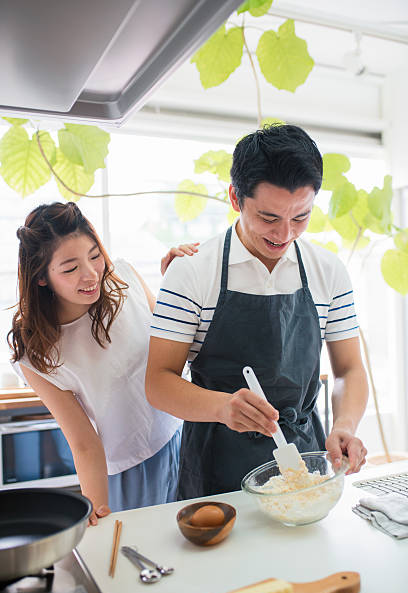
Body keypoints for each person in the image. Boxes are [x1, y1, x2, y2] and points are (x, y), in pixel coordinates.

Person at [145, 124, 369, 500]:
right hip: (215, 468)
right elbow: (158, 381)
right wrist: (222, 407)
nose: (284, 234)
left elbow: (349, 368)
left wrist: (345, 423)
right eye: (269, 218)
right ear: (235, 197)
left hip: (305, 461)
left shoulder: (328, 272)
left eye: (300, 217)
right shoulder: (193, 271)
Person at [8, 201, 199, 524]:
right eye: (70, 268)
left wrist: (180, 283)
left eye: (95, 256)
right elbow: (83, 443)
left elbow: (178, 350)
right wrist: (97, 512)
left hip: (184, 439)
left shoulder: (124, 278)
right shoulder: (37, 351)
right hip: (127, 471)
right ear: (41, 277)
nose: (91, 273)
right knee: (134, 559)